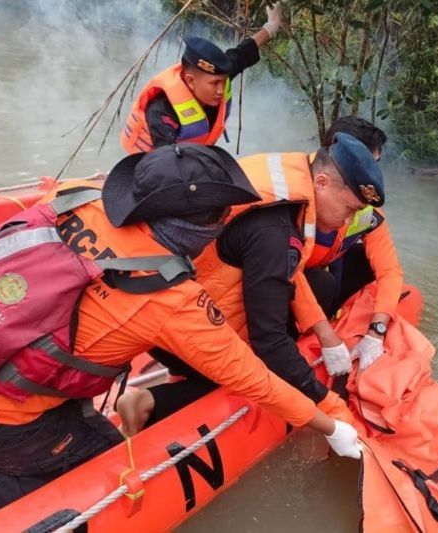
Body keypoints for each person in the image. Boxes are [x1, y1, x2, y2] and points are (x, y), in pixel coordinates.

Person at [0, 144, 361, 531]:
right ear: (198, 235)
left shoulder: (78, 195)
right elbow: (255, 378)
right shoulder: (168, 298)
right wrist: (332, 425)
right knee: (108, 466)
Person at [116, 133, 385, 433]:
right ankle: (149, 402)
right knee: (252, 372)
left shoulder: (286, 179)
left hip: (164, 292)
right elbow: (269, 342)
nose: (347, 223)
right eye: (348, 210)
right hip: (175, 321)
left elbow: (288, 271)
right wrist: (331, 409)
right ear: (321, 183)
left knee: (319, 286)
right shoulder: (275, 230)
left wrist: (323, 333)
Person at [296, 117, 403, 375]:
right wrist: (323, 332)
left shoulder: (367, 212)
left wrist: (376, 331)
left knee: (362, 262)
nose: (371, 175)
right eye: (365, 163)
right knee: (322, 284)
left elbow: (389, 271)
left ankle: (335, 319)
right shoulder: (295, 194)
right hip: (276, 279)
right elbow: (283, 270)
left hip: (314, 270)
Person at [121, 3, 282, 153]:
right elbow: (166, 163)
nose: (221, 90)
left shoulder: (218, 74)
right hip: (149, 164)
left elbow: (242, 53)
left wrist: (271, 26)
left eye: (224, 81)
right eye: (214, 84)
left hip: (193, 153)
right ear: (191, 81)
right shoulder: (162, 111)